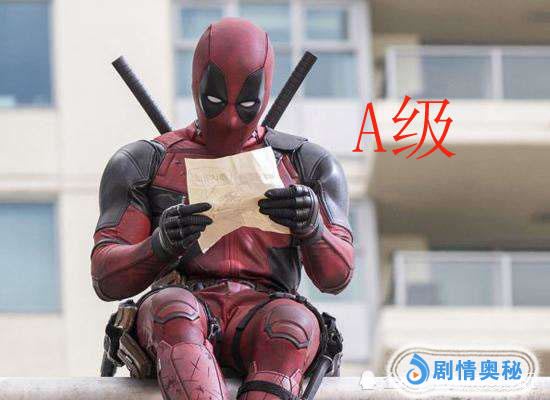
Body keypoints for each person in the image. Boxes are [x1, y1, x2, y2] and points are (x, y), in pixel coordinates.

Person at [91, 17, 354, 400]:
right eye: (215, 101)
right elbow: (106, 275)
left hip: (269, 309)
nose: (230, 118)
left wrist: (312, 227)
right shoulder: (144, 163)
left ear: (264, 95)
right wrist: (159, 245)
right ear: (196, 85)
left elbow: (337, 275)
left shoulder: (308, 164)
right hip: (181, 305)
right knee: (174, 313)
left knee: (291, 328)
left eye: (246, 105)